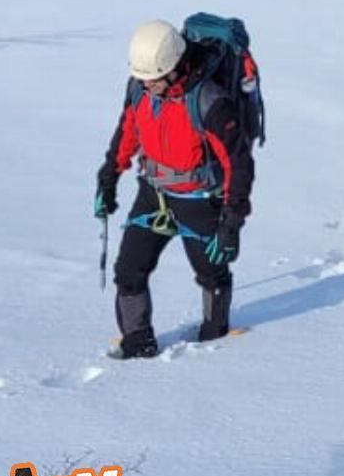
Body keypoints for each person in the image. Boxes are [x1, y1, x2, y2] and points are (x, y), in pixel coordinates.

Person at [94, 20, 254, 358]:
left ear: (174, 66)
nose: (147, 85)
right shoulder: (139, 88)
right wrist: (108, 178)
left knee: (211, 272)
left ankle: (215, 336)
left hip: (200, 200)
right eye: (142, 78)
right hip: (153, 193)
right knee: (128, 271)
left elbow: (238, 164)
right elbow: (127, 132)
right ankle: (138, 343)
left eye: (153, 79)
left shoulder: (209, 100)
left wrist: (231, 222)